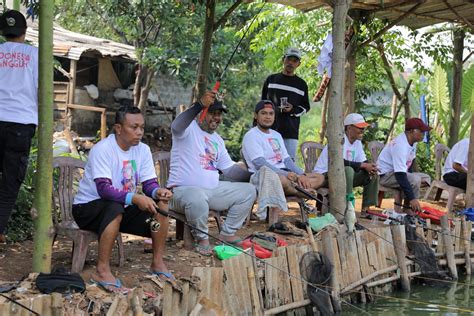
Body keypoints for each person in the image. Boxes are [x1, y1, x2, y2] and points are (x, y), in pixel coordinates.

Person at [72, 106, 173, 293]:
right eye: (134, 127)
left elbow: (149, 184)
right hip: (87, 209)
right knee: (114, 207)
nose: (140, 132)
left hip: (121, 207)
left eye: (142, 127)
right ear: (118, 128)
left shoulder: (142, 150)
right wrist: (135, 198)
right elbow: (104, 189)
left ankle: (157, 263)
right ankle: (101, 271)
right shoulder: (103, 149)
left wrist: (158, 192)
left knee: (160, 208)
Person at [168, 91, 257, 256]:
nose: (217, 118)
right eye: (212, 113)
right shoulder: (188, 129)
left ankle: (227, 233)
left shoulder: (217, 139)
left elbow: (230, 170)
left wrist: (254, 175)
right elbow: (176, 126)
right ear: (202, 113)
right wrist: (199, 105)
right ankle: (202, 238)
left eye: (219, 114)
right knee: (196, 196)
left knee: (249, 191)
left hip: (212, 191)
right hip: (181, 192)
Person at [242, 100, 324, 220]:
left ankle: (299, 188)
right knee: (280, 180)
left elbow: (287, 160)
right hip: (263, 176)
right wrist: (288, 174)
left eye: (271, 113)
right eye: (264, 113)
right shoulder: (251, 135)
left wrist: (301, 174)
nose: (268, 117)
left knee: (319, 177)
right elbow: (260, 163)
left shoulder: (276, 135)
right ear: (256, 115)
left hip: (287, 176)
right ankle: (300, 191)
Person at [0, 10, 38, 243]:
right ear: (25, 32)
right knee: (9, 184)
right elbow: (42, 89)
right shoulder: (35, 55)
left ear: (3, 33)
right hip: (20, 125)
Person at [313, 113, 379, 212]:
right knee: (347, 170)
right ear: (349, 128)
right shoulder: (339, 140)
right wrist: (364, 165)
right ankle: (348, 204)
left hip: (343, 176)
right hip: (324, 175)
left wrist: (370, 165)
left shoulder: (357, 142)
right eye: (359, 127)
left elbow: (362, 160)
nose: (363, 130)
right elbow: (339, 162)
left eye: (363, 128)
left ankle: (366, 209)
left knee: (372, 172)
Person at [261, 47, 310, 160]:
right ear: (283, 59)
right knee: (268, 160)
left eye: (294, 61)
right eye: (289, 59)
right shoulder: (271, 80)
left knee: (288, 162)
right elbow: (262, 103)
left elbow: (305, 107)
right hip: (269, 129)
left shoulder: (301, 84)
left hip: (290, 130)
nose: (291, 63)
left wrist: (292, 109)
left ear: (299, 64)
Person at [377, 118, 432, 214]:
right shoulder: (400, 145)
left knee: (426, 178)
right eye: (421, 131)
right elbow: (400, 175)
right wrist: (412, 198)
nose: (424, 134)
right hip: (385, 176)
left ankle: (406, 207)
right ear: (411, 131)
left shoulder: (412, 142)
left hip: (397, 173)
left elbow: (408, 167)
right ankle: (409, 210)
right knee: (415, 180)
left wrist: (409, 182)